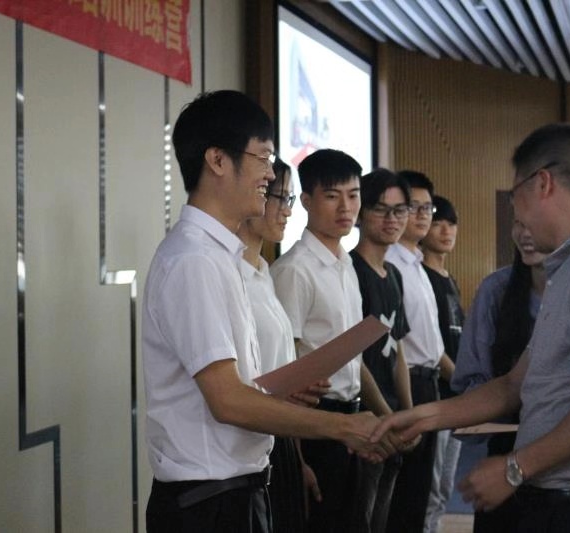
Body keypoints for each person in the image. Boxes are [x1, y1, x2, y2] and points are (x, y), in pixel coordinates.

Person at [373, 123, 570, 533]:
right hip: (558, 501)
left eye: (516, 196)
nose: (519, 216)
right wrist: (421, 417)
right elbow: (513, 385)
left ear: (542, 183)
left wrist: (514, 468)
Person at [141, 91, 391, 533]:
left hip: (233, 492)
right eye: (263, 158)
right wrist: (341, 427)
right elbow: (227, 400)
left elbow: (237, 387)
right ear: (218, 160)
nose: (271, 174)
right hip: (208, 504)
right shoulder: (194, 260)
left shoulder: (223, 258)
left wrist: (279, 394)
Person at [271, 149, 399, 533]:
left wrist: (385, 419)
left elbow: (354, 360)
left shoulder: (346, 265)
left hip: (350, 419)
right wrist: (297, 459)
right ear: (306, 201)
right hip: (313, 426)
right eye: (332, 196)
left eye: (353, 195)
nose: (346, 207)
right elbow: (284, 372)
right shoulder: (294, 270)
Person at [237, 158, 325, 532]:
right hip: (248, 446)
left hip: (279, 440)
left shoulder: (262, 273)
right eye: (280, 198)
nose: (287, 210)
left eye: (290, 199)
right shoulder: (230, 275)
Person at [451, 219, 547, 532]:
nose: (526, 233)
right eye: (518, 223)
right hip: (505, 453)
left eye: (536, 222)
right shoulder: (497, 289)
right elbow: (472, 382)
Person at [384, 171, 455, 533]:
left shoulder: (418, 265)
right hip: (405, 384)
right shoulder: (391, 263)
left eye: (429, 208)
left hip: (429, 384)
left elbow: (432, 344)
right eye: (415, 207)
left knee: (422, 492)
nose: (424, 215)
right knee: (403, 497)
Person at [350, 168, 417, 532]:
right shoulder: (352, 270)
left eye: (400, 210)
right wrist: (388, 418)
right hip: (365, 420)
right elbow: (353, 358)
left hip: (391, 419)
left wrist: (408, 416)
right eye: (381, 208)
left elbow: (398, 350)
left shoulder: (393, 274)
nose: (392, 219)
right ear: (361, 212)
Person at [420, 195, 465, 533]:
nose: (446, 231)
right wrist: (463, 380)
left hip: (457, 396)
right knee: (430, 490)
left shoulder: (449, 279)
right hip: (437, 393)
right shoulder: (421, 277)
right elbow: (430, 346)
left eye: (451, 224)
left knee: (444, 489)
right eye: (438, 223)